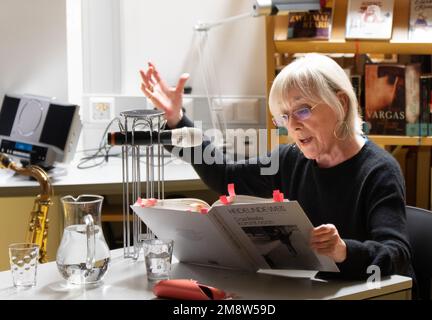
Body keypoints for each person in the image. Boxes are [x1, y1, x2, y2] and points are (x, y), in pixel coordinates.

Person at [139, 53, 415, 286]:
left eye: (303, 110)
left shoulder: (379, 170)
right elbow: (224, 175)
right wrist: (177, 121)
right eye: (283, 116)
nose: (292, 125)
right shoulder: (290, 159)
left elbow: (397, 254)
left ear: (340, 103)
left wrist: (343, 251)